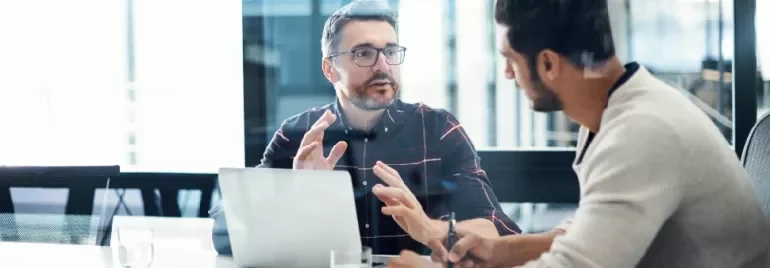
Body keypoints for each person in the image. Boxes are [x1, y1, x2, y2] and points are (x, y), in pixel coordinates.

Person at [389, 0, 770, 267]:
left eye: (509, 60)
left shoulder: (642, 133)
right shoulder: (622, 109)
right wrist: (499, 250)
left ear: (549, 63)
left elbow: (577, 264)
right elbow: (593, 234)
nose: (507, 75)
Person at [209, 0, 520, 256]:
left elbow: (498, 231)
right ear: (330, 68)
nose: (383, 66)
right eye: (364, 53)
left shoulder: (437, 130)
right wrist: (293, 192)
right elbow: (225, 235)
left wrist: (427, 226)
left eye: (390, 51)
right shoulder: (298, 135)